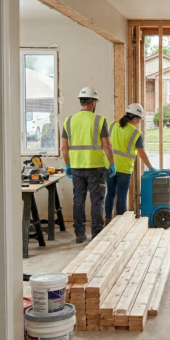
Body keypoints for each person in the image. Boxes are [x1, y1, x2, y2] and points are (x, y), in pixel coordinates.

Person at [61, 86, 116, 244]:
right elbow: (107, 146)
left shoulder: (69, 120)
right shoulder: (99, 120)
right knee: (97, 200)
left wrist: (67, 165)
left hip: (77, 167)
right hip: (96, 167)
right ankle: (97, 234)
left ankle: (79, 234)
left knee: (78, 200)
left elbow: (64, 147)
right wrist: (112, 164)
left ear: (81, 101)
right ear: (93, 102)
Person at [105, 103, 158, 223]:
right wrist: (151, 167)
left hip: (109, 165)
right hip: (124, 169)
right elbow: (142, 153)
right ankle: (120, 222)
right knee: (122, 196)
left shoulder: (112, 125)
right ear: (135, 118)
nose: (139, 122)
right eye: (139, 119)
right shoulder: (135, 133)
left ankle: (107, 220)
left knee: (110, 194)